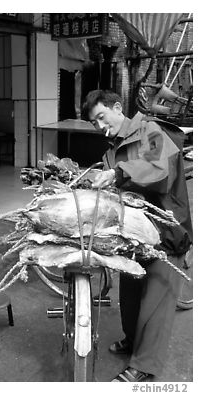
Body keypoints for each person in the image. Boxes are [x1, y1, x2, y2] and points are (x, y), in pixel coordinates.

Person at [83, 89, 192, 382]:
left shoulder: (151, 130)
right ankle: (133, 341)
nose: (100, 126)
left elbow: (159, 171)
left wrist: (118, 173)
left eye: (102, 117)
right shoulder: (111, 150)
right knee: (130, 295)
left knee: (155, 301)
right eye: (94, 123)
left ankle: (145, 363)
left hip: (165, 232)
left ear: (118, 107)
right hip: (133, 234)